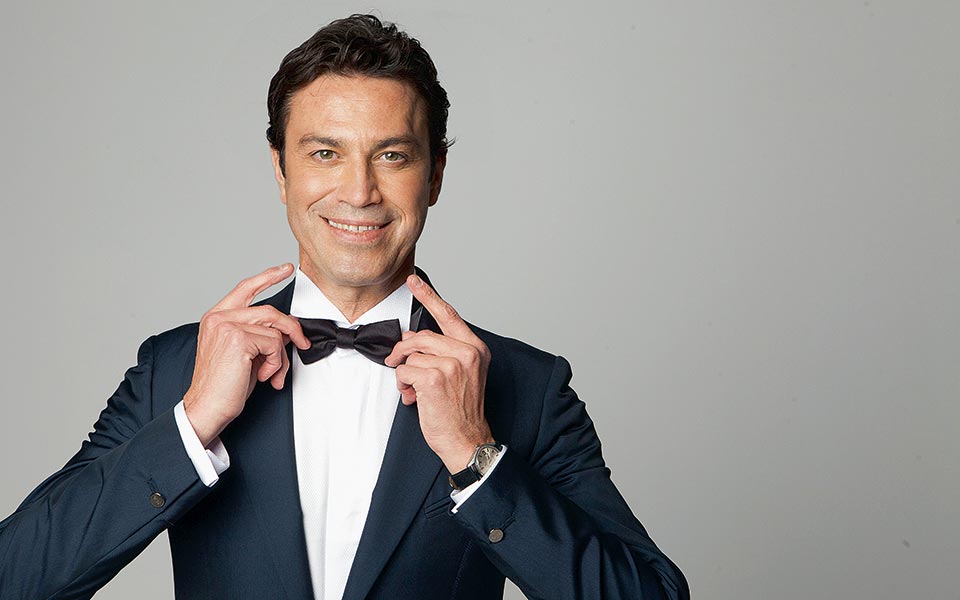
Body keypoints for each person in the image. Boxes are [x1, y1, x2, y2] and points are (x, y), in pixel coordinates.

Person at [0, 14, 688, 600]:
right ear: (281, 171)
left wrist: (477, 457)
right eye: (326, 153)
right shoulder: (176, 369)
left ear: (435, 175)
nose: (359, 192)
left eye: (392, 155)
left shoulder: (526, 388)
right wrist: (191, 425)